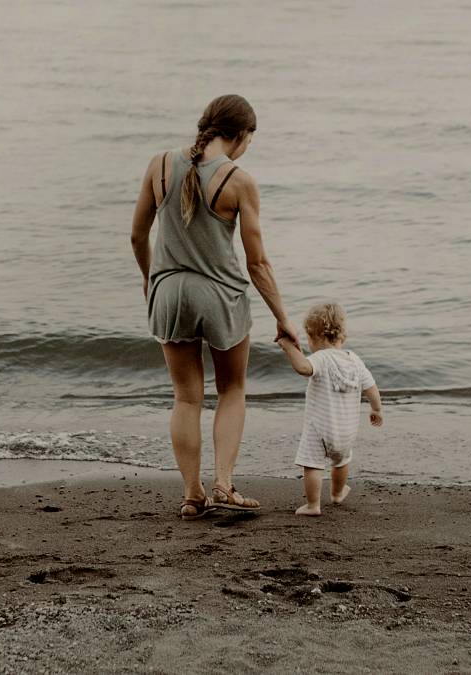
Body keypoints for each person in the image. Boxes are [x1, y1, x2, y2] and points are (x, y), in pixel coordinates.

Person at [130, 94, 301, 520]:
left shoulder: (159, 164)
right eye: (249, 140)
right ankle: (224, 483)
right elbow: (257, 261)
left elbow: (137, 237)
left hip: (169, 291)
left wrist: (153, 281)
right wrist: (283, 318)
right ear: (240, 135)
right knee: (232, 390)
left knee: (186, 399)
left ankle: (192, 494)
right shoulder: (239, 181)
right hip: (220, 294)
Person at [276, 302, 383, 516]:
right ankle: (337, 493)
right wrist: (376, 409)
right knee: (341, 461)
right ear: (342, 336)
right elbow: (371, 387)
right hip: (346, 430)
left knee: (312, 465)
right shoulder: (355, 360)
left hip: (320, 428)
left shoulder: (321, 358)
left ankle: (313, 505)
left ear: (314, 337)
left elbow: (303, 368)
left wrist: (288, 347)